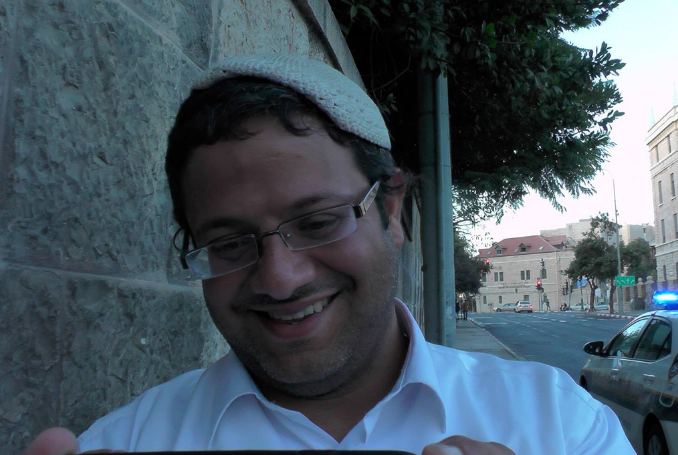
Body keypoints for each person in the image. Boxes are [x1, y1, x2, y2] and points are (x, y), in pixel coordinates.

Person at [20, 54, 634, 455]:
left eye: (317, 222)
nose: (280, 278)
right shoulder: (127, 441)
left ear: (391, 210)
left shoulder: (559, 426)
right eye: (228, 244)